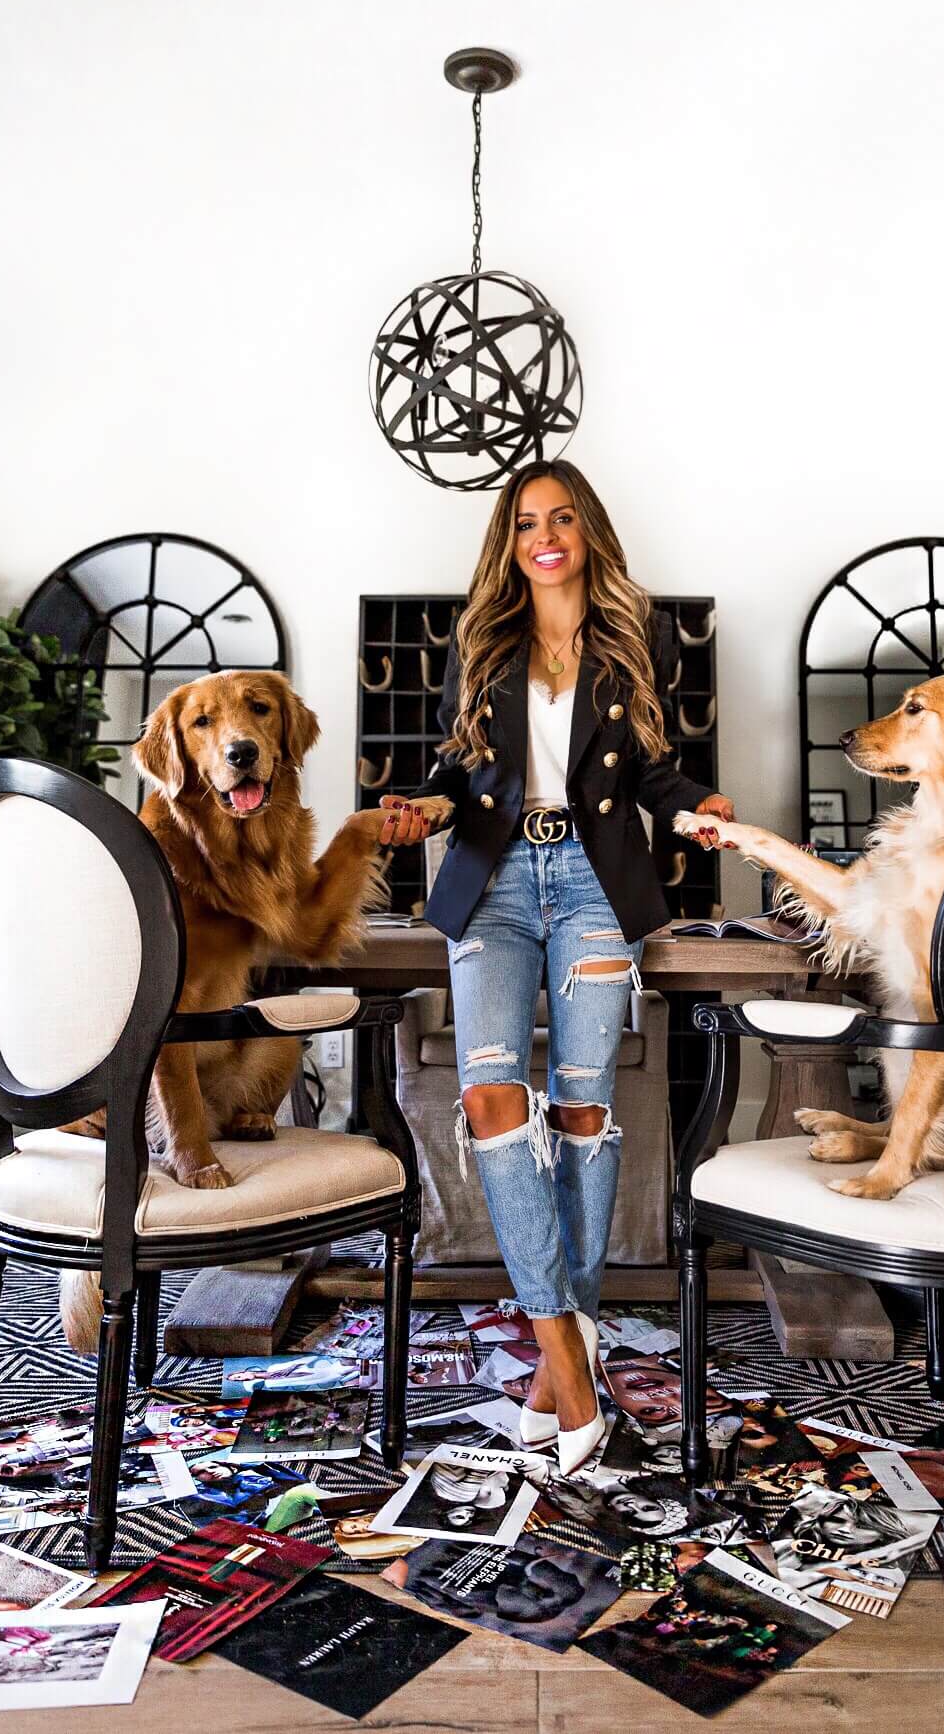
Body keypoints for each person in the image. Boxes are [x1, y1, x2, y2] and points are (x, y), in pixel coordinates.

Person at [379, 461, 732, 1476]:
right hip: (491, 884)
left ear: (586, 532)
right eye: (527, 521)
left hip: (590, 882)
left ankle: (554, 1370)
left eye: (562, 518)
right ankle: (566, 1357)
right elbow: (456, 772)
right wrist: (424, 808)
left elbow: (654, 772)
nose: (545, 536)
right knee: (493, 1098)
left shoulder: (636, 637)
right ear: (510, 538)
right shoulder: (481, 640)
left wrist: (695, 808)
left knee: (582, 1110)